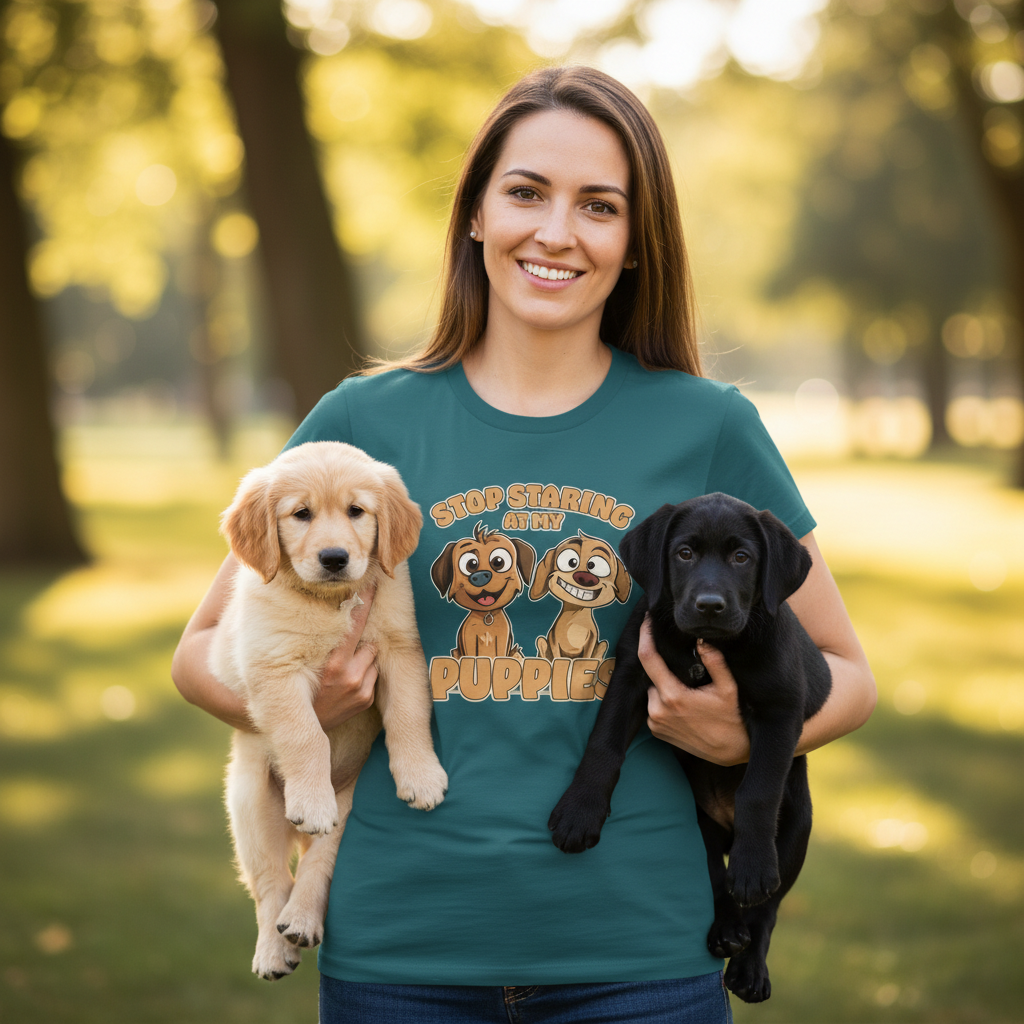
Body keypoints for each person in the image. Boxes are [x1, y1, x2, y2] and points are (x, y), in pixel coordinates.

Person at [172, 65, 875, 1023]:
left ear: (634, 243)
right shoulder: (364, 422)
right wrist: (309, 698)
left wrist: (743, 734)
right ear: (475, 216)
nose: (556, 232)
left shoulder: (707, 425)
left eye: (599, 205)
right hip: (400, 950)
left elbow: (848, 671)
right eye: (526, 193)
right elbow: (198, 655)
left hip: (639, 955)